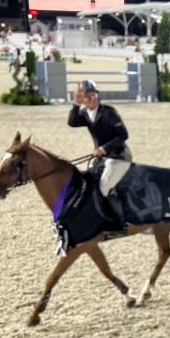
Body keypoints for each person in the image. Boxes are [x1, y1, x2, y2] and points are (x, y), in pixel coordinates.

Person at [68, 80, 132, 231]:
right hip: (103, 159)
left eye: (94, 95)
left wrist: (103, 148)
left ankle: (119, 224)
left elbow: (123, 134)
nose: (92, 98)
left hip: (118, 157)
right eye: (87, 96)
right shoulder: (85, 114)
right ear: (83, 99)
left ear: (98, 95)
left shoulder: (109, 112)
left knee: (103, 187)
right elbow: (72, 122)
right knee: (89, 184)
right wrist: (75, 104)